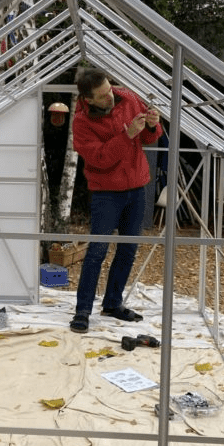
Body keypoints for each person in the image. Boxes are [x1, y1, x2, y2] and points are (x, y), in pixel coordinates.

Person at [69, 68, 162, 334]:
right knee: (96, 252)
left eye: (110, 90)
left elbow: (148, 137)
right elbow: (99, 158)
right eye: (102, 96)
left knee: (128, 250)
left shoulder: (129, 98)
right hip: (105, 192)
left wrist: (153, 124)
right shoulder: (81, 122)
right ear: (88, 99)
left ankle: (112, 303)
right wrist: (127, 135)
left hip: (137, 187)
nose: (110, 97)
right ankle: (82, 311)